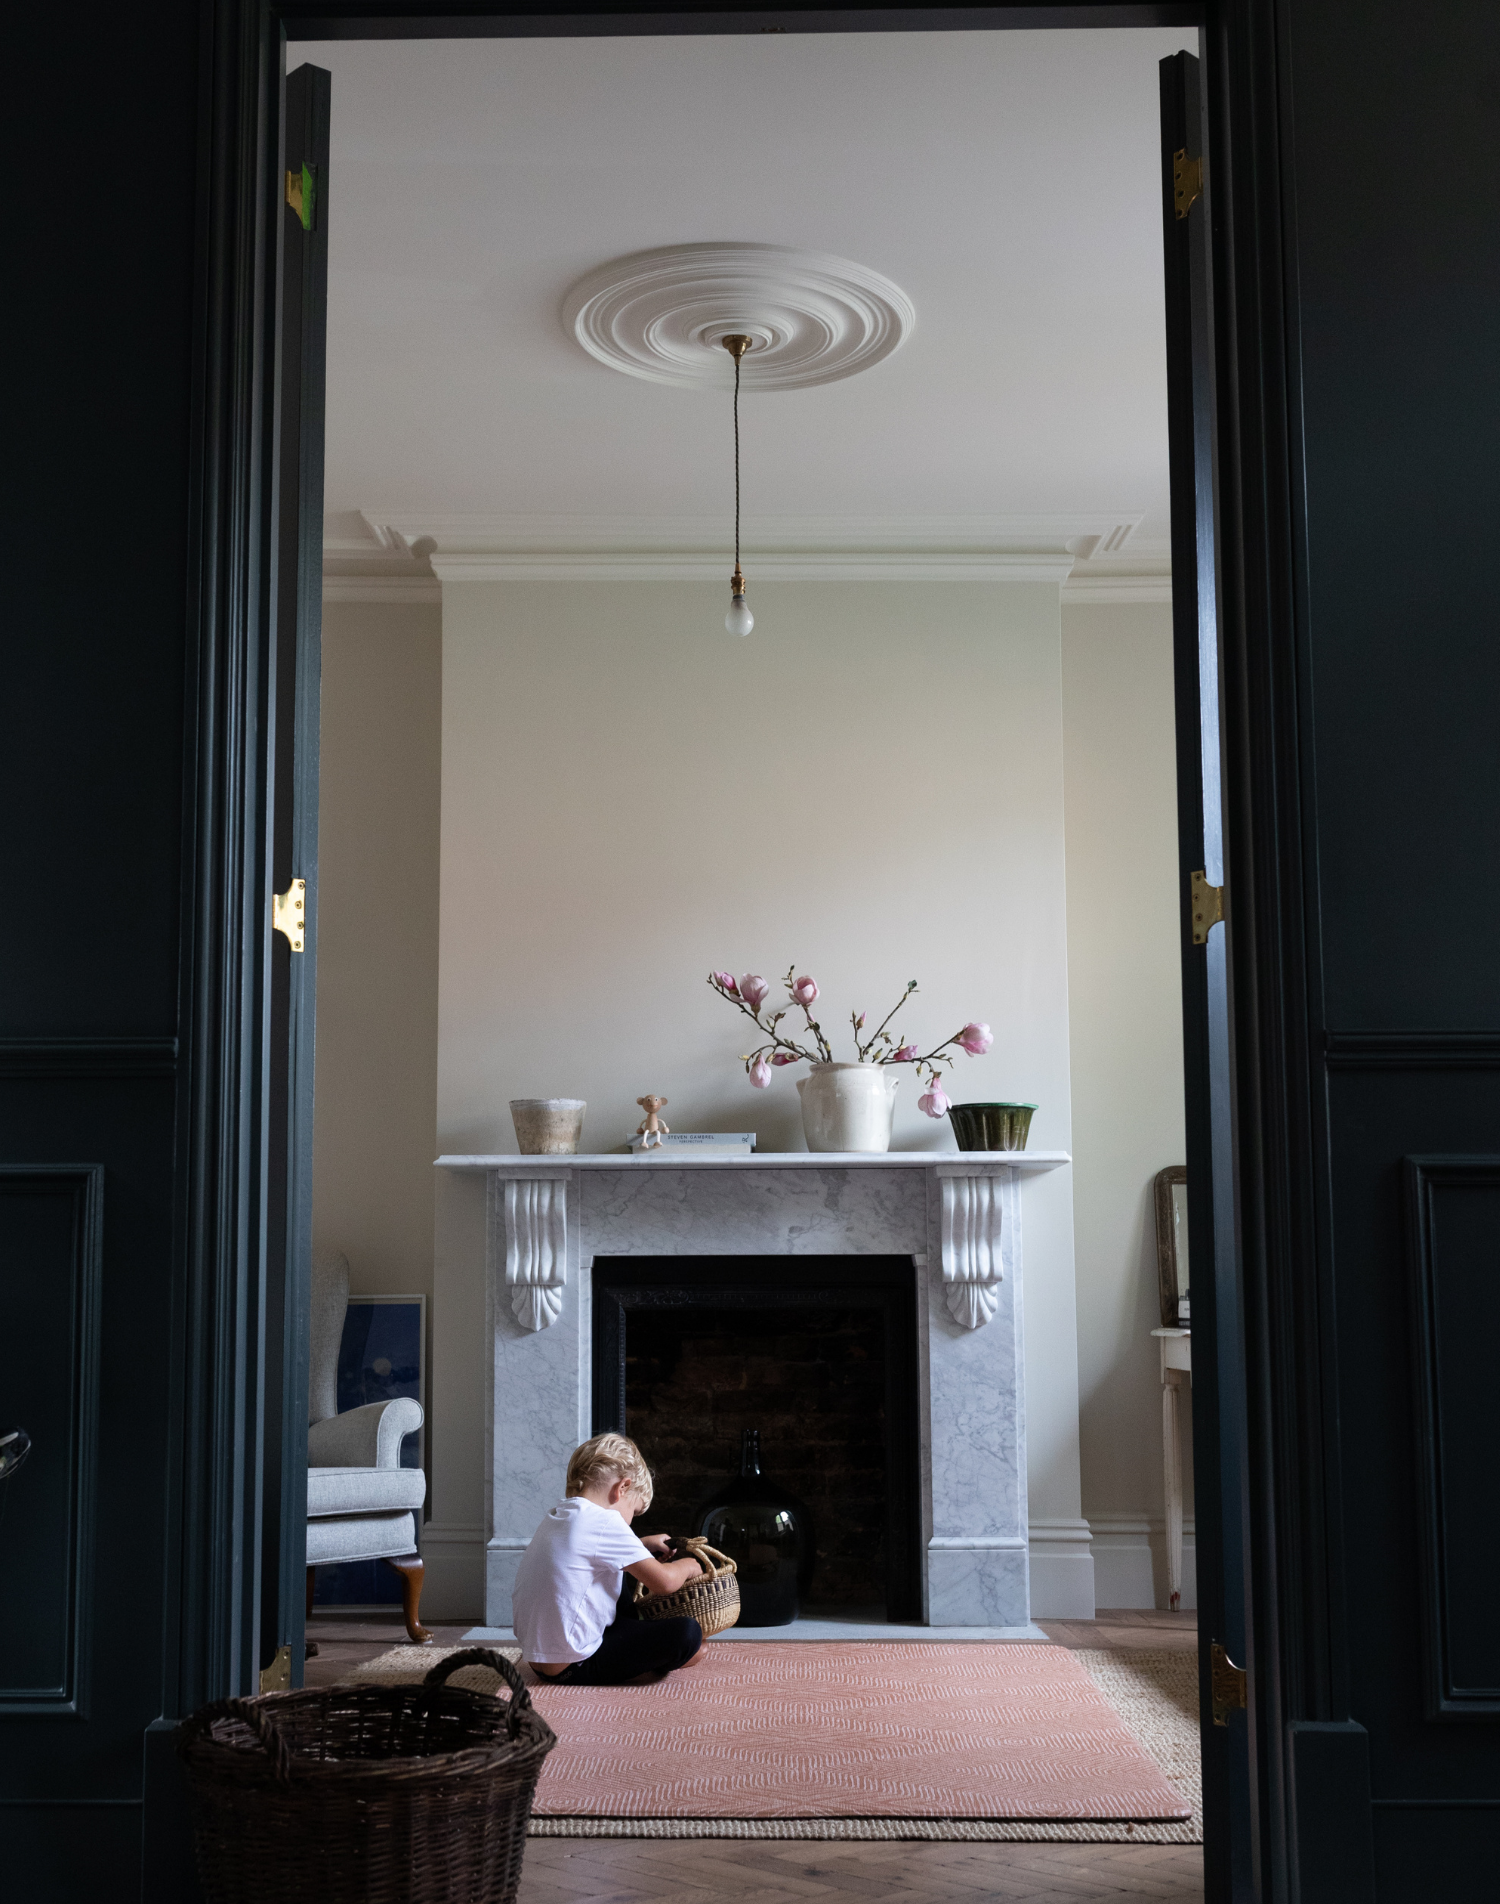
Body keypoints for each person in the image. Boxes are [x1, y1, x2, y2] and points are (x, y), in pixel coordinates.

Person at [512, 1432, 707, 1685]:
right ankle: (652, 1657)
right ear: (622, 1488)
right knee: (690, 1635)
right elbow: (665, 1583)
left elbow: (586, 1556)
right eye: (634, 1512)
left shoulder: (559, 1515)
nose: (630, 1521)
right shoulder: (606, 1521)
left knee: (615, 1571)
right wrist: (689, 1565)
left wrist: (642, 1544)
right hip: (576, 1663)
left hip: (541, 1659)